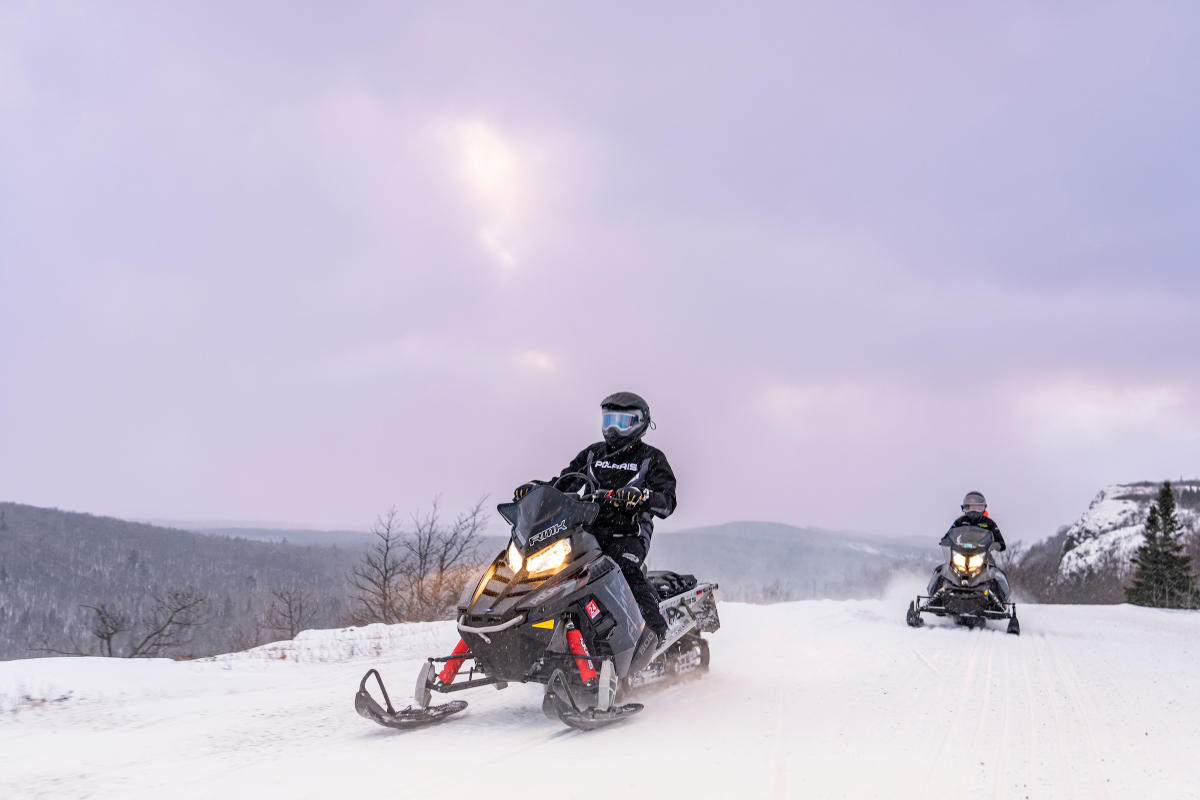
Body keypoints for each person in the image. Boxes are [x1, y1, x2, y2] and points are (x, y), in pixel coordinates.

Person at [514, 391, 676, 642]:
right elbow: (564, 482)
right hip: (586, 532)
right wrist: (537, 490)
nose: (613, 428)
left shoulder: (651, 458)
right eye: (608, 420)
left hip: (628, 534)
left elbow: (667, 501)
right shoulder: (593, 454)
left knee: (624, 571)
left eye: (621, 422)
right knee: (552, 574)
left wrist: (641, 496)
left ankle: (655, 633)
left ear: (639, 423)